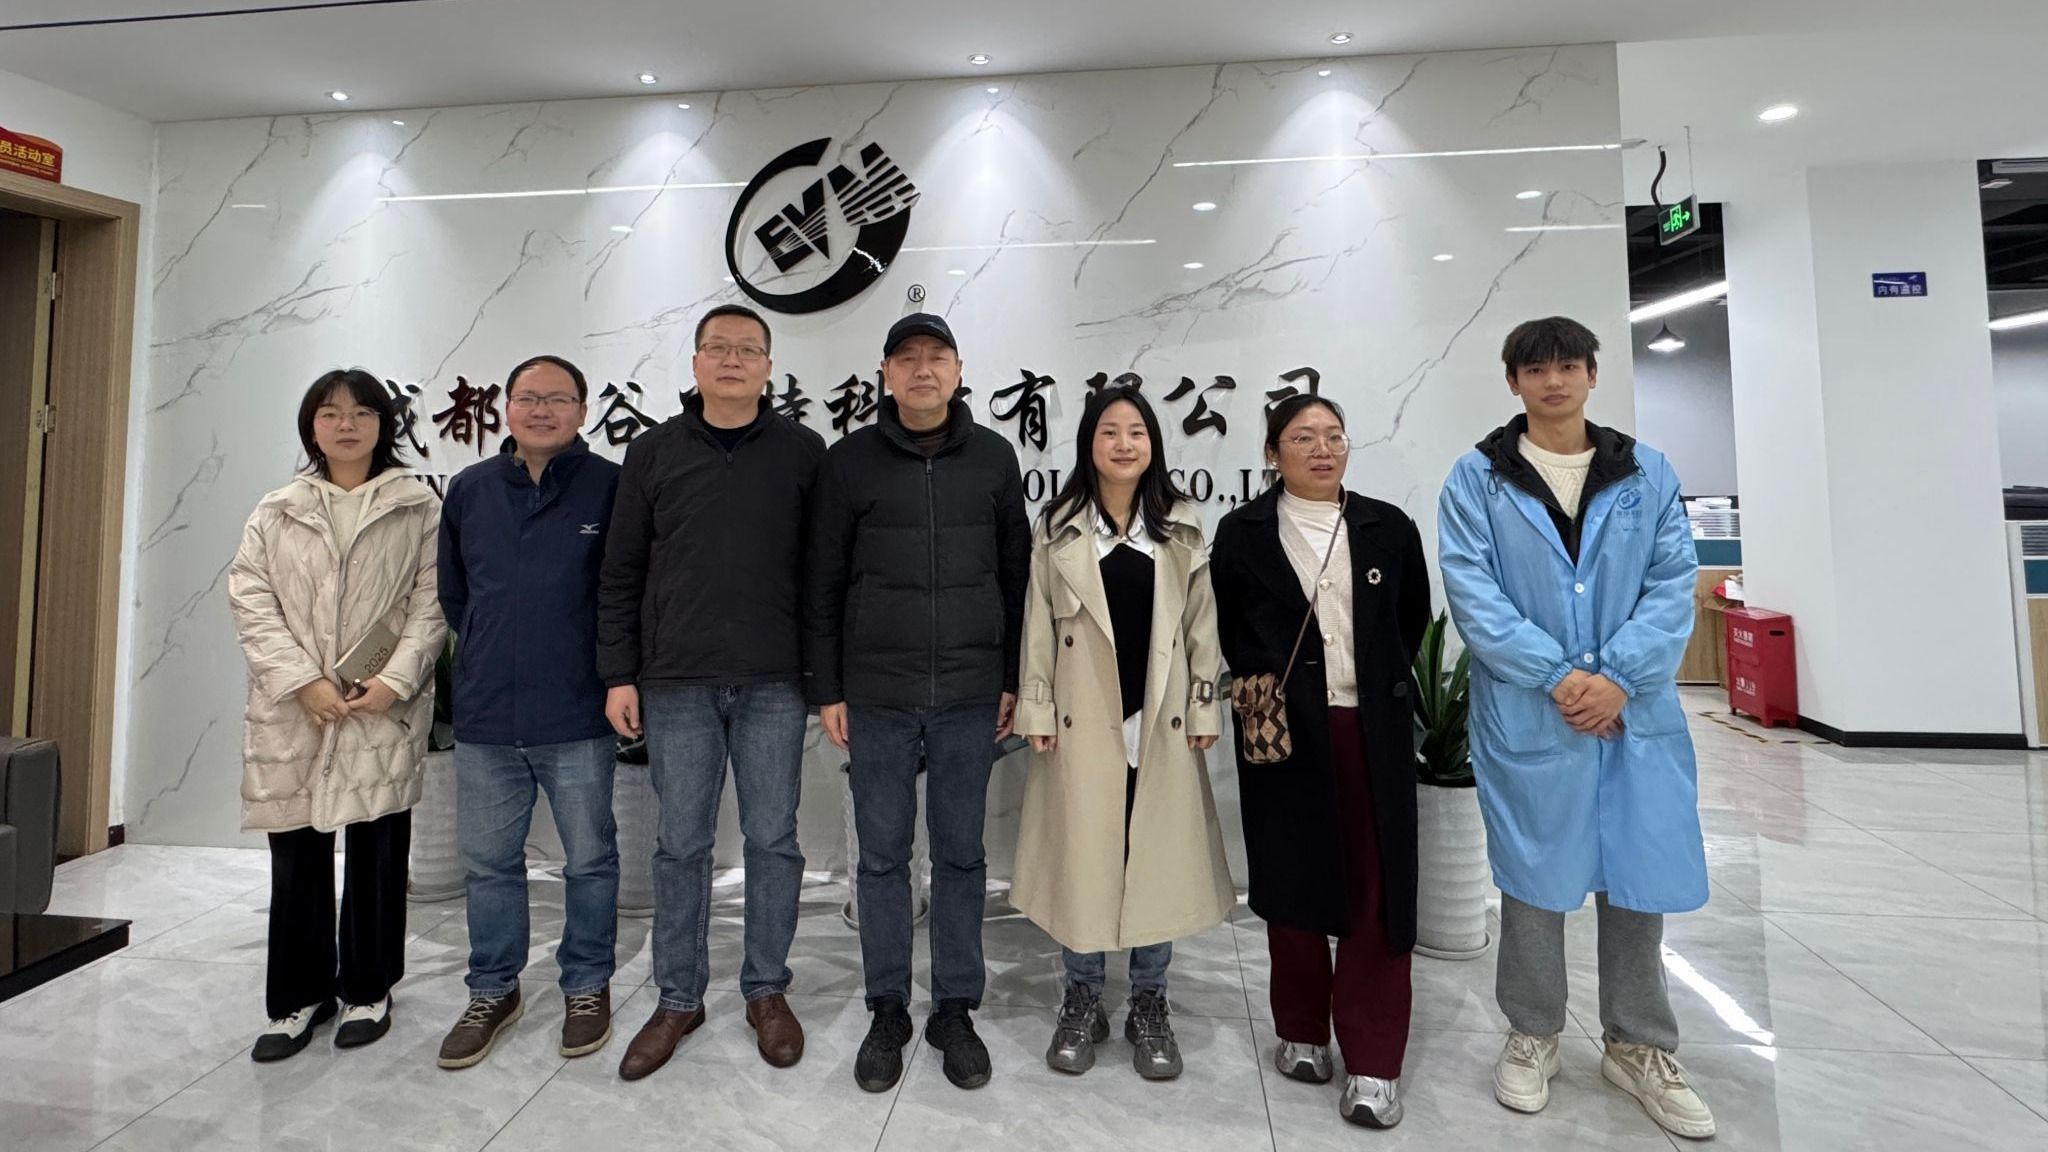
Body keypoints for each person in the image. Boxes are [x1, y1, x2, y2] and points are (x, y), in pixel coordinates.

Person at [1437, 316, 1714, 1141]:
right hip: (1534, 708)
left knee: (1637, 878)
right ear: (1512, 381)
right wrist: (1559, 676)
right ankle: (1533, 1034)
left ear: (1593, 374)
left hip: (1632, 711)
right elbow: (1474, 593)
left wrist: (1620, 678)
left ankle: (1639, 1044)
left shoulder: (1646, 473)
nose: (1553, 381)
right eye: (1536, 369)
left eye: (1567, 366)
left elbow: (1672, 582)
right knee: (1534, 880)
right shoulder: (1478, 480)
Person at [804, 312, 1031, 1094]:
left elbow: (1016, 576)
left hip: (971, 693)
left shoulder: (994, 458)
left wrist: (1012, 677)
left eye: (937, 357)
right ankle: (888, 1007)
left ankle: (955, 1008)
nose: (923, 369)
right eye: (907, 358)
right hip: (877, 695)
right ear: (886, 374)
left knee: (962, 855)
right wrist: (828, 688)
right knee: (881, 857)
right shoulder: (848, 462)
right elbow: (823, 581)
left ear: (959, 371)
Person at [598, 305, 825, 1080]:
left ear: (769, 367)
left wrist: (823, 680)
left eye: (747, 349)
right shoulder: (653, 452)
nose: (732, 360)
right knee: (681, 846)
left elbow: (823, 574)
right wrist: (619, 672)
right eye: (717, 348)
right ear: (695, 363)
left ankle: (766, 990)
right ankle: (678, 997)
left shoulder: (803, 452)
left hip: (774, 680)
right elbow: (621, 570)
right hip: (677, 681)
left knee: (773, 840)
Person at [1210, 394, 1431, 1129]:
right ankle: (1301, 1029)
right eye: (1303, 437)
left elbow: (1408, 621)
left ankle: (1373, 1059)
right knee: (1291, 879)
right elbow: (1230, 626)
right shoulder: (1241, 533)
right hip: (1285, 733)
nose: (1323, 449)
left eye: (1334, 435)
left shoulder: (1387, 528)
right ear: (1272, 453)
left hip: (1371, 731)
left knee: (1377, 891)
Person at [1012, 385, 1235, 1081]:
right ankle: (1082, 995)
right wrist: (1036, 708)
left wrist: (1204, 708)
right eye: (1109, 431)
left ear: (1153, 445)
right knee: (1084, 856)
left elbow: (1202, 629)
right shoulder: (1059, 527)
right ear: (1089, 444)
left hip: (1161, 722)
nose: (1123, 443)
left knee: (1155, 858)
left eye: (1136, 432)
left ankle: (1148, 999)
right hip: (1082, 722)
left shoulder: (1181, 526)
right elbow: (1037, 625)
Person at [227, 368, 445, 1062]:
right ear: (310, 427)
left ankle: (369, 989)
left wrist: (395, 679)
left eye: (360, 413)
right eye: (329, 413)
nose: (345, 425)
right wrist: (301, 681)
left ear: (384, 424)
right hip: (296, 710)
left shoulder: (417, 506)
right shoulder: (278, 508)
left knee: (378, 852)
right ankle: (298, 997)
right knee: (296, 855)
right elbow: (249, 597)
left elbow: (434, 600)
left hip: (379, 705)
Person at [433, 355, 622, 1070]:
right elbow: (456, 595)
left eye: (558, 398)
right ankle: (492, 989)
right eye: (529, 397)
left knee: (591, 861)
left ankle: (587, 983)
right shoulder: (470, 489)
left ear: (582, 410)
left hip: (577, 712)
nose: (543, 410)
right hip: (486, 714)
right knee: (488, 865)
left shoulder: (610, 485)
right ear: (507, 407)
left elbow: (623, 592)